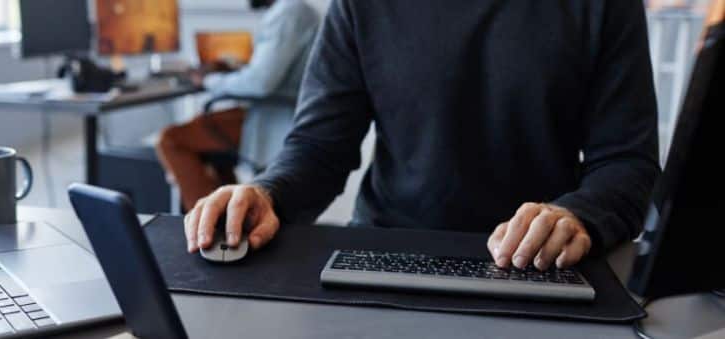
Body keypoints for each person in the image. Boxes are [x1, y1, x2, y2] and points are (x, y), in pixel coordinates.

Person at [183, 1, 661, 271]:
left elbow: (627, 162)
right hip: (386, 255)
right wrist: (270, 192)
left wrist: (577, 215)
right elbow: (319, 147)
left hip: (537, 264)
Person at [156, 0, 320, 211]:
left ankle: (207, 224)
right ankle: (227, 214)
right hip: (272, 111)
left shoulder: (289, 12)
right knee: (201, 134)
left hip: (276, 118)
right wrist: (233, 69)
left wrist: (207, 81)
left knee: (171, 139)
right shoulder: (297, 11)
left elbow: (260, 82)